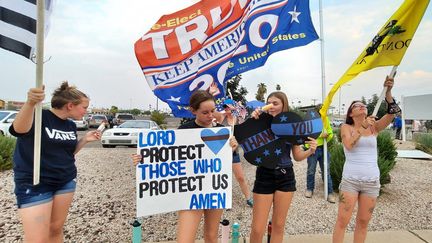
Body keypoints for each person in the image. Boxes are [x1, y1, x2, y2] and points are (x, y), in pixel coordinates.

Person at [132, 90, 238, 243]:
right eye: (205, 112)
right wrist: (143, 159)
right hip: (191, 191)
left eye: (213, 111)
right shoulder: (183, 132)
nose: (210, 115)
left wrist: (232, 148)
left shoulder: (221, 131)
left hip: (214, 189)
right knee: (185, 239)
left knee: (211, 236)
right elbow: (166, 158)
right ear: (193, 111)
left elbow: (226, 161)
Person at [9, 82, 101, 242]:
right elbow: (18, 130)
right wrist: (30, 103)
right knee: (37, 238)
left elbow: (68, 153)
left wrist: (85, 140)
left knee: (55, 230)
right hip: (35, 183)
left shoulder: (71, 125)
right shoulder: (40, 116)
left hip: (65, 181)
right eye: (84, 107)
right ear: (70, 105)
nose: (86, 112)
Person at [333, 76, 397, 243]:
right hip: (350, 181)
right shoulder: (346, 127)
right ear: (351, 113)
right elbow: (349, 145)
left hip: (371, 182)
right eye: (357, 106)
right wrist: (362, 127)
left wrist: (388, 93)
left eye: (364, 105)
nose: (362, 106)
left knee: (363, 222)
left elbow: (392, 113)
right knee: (342, 221)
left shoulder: (374, 127)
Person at [248, 91, 317, 243]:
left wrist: (311, 150)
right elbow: (246, 138)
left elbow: (297, 156)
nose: (271, 106)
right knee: (257, 228)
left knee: (278, 225)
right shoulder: (261, 122)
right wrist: (253, 120)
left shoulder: (291, 126)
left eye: (275, 103)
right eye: (269, 102)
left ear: (283, 105)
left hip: (286, 176)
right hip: (264, 175)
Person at [216, 99, 253, 207]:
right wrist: (212, 94)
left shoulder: (237, 119)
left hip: (233, 152)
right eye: (225, 107)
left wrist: (237, 109)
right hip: (220, 152)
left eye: (228, 107)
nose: (226, 109)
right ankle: (222, 200)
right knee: (220, 178)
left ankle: (249, 198)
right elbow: (212, 111)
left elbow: (245, 126)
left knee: (240, 177)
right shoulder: (221, 117)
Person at [305, 105, 336, 203]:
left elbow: (330, 132)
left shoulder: (325, 119)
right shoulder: (311, 121)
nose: (325, 112)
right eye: (323, 111)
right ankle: (310, 189)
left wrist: (328, 136)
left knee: (326, 170)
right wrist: (320, 135)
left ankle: (330, 192)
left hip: (323, 148)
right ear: (318, 111)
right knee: (311, 170)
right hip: (312, 149)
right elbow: (307, 136)